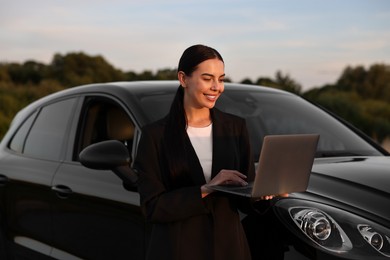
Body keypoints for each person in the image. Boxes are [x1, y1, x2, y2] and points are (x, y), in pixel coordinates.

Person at [134, 44, 272, 260]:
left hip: (230, 250)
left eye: (221, 79)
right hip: (179, 250)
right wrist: (206, 188)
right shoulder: (155, 136)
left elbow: (245, 197)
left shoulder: (235, 128)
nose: (217, 87)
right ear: (183, 79)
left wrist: (265, 194)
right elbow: (153, 208)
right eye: (208, 78)